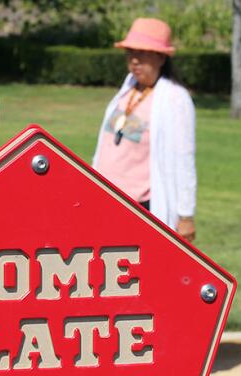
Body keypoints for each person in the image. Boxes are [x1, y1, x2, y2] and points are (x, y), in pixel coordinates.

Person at [92, 17, 197, 242]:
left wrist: (185, 215)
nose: (134, 60)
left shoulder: (175, 98)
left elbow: (184, 158)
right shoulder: (129, 86)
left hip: (140, 207)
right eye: (130, 52)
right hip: (105, 200)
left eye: (142, 53)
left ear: (161, 57)